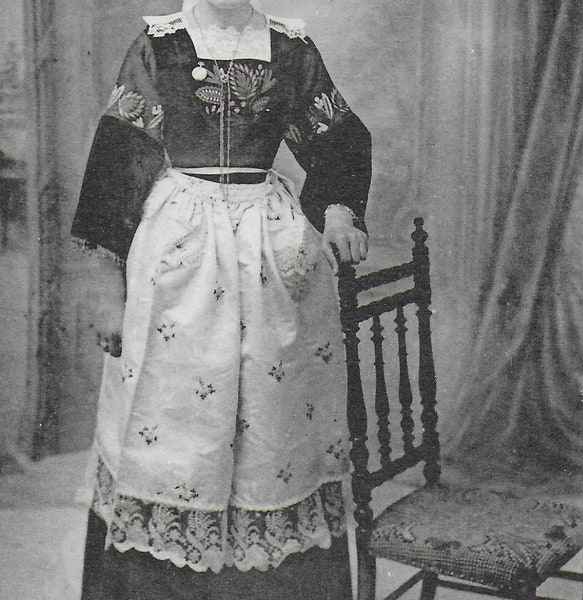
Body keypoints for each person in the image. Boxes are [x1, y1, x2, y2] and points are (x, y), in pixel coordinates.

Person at [72, 0, 371, 598]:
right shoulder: (163, 44)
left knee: (274, 410)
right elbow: (119, 153)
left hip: (269, 247)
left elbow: (336, 135)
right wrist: (108, 283)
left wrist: (338, 208)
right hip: (179, 244)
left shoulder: (291, 48)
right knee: (173, 410)